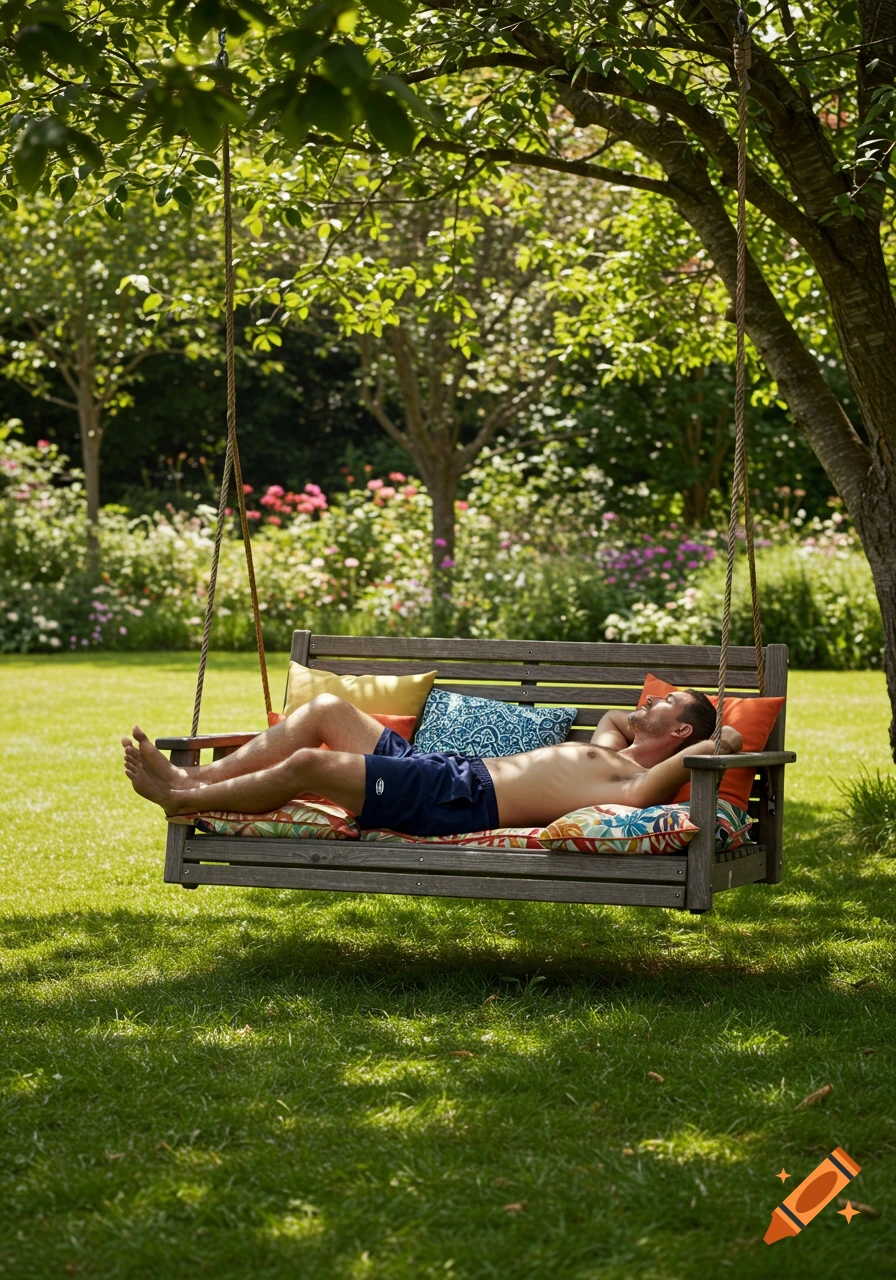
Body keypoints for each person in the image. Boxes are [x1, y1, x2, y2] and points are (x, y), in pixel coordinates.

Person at [123, 688, 742, 834]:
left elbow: (726, 744)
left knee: (312, 765)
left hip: (455, 800)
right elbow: (613, 721)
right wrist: (645, 724)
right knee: (325, 709)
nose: (647, 700)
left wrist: (718, 737)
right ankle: (194, 776)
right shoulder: (613, 750)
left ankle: (186, 799)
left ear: (683, 731)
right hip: (441, 765)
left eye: (661, 702)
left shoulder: (634, 783)